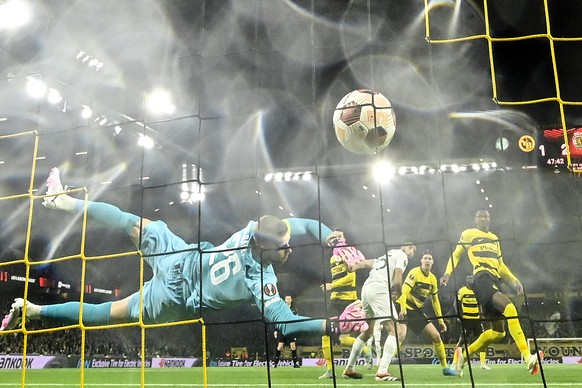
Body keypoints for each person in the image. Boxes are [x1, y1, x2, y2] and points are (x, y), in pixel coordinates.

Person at [0, 167, 363, 342]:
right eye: (284, 246)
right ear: (267, 249)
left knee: (130, 221)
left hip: (181, 257)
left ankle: (61, 201)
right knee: (104, 313)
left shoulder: (254, 230)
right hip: (176, 298)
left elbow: (300, 224)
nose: (290, 248)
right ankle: (32, 311)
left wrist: (333, 239)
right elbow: (285, 324)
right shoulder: (261, 280)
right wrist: (334, 325)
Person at [440, 209, 543, 376]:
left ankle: (464, 356)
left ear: (489, 219)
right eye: (480, 216)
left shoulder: (495, 238)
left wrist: (514, 281)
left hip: (494, 280)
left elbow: (501, 265)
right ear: (475, 219)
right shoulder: (468, 234)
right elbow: (456, 254)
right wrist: (447, 273)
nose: (483, 218)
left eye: (486, 216)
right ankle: (527, 357)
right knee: (510, 309)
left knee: (498, 332)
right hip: (481, 278)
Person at [342, 241, 418, 381]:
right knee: (396, 331)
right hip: (378, 289)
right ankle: (382, 372)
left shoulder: (386, 255)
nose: (412, 250)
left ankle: (349, 368)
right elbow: (398, 278)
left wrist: (353, 267)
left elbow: (366, 263)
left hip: (366, 290)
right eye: (410, 246)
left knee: (368, 331)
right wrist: (397, 292)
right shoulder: (402, 256)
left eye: (414, 249)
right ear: (402, 246)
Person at [395, 250, 459, 377]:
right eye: (425, 258)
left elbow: (435, 301)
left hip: (416, 311)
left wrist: (440, 321)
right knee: (400, 336)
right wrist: (403, 308)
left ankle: (445, 368)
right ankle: (382, 365)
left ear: (433, 262)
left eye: (430, 258)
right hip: (404, 306)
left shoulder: (433, 279)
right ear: (421, 261)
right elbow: (404, 292)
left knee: (436, 336)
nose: (427, 261)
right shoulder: (414, 273)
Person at [318, 250, 373, 379]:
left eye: (339, 237)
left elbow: (350, 277)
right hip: (335, 301)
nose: (335, 240)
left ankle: (365, 350)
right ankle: (330, 370)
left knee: (345, 336)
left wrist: (332, 285)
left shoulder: (348, 256)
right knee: (327, 335)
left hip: (349, 301)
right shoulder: (333, 259)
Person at [451, 275, 491, 370]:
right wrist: (459, 315)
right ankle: (454, 363)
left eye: (472, 278)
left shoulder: (477, 290)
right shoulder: (462, 290)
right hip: (466, 320)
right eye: (469, 278)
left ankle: (483, 363)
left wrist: (482, 314)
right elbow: (456, 303)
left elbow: (480, 303)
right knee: (462, 340)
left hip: (476, 319)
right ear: (466, 280)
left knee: (483, 340)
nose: (471, 280)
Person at [273, 295, 300, 368]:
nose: (288, 300)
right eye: (287, 299)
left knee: (293, 346)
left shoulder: (294, 309)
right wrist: (276, 330)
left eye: (289, 299)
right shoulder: (282, 309)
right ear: (285, 300)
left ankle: (295, 364)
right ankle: (275, 363)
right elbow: (277, 319)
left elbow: (297, 320)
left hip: (291, 330)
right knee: (280, 346)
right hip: (283, 329)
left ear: (291, 300)